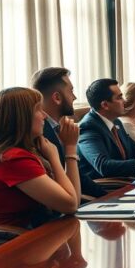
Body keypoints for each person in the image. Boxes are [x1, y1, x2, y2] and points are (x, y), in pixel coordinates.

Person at [0, 87, 81, 228]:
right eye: (38, 110)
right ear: (20, 118)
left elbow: (73, 201)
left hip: (12, 237)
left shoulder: (8, 153)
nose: (44, 115)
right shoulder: (11, 159)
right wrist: (67, 150)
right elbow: (70, 204)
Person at [30, 67, 107, 198]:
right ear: (57, 97)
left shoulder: (60, 127)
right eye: (71, 91)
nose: (74, 97)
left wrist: (108, 197)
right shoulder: (39, 133)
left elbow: (78, 175)